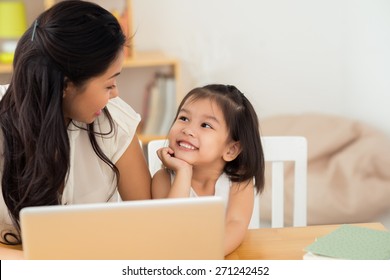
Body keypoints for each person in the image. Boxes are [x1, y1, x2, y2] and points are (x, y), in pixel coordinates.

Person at [0, 1, 151, 246]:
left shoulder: (116, 122)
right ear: (65, 85)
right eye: (108, 84)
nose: (115, 94)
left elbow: (149, 224)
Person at [151, 84, 265, 256]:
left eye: (205, 125)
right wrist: (183, 172)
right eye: (183, 118)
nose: (188, 130)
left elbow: (236, 226)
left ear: (231, 150)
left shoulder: (238, 181)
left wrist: (205, 258)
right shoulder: (163, 179)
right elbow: (170, 231)